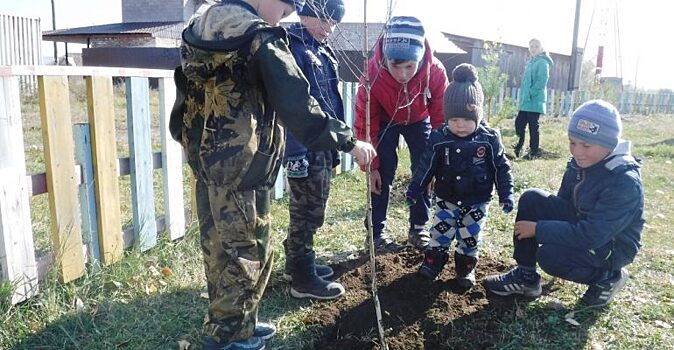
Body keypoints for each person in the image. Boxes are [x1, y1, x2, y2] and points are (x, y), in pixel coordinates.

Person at [173, 0, 376, 349]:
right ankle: (228, 338)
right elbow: (297, 105)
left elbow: (184, 91)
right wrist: (349, 142)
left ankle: (239, 322)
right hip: (245, 164)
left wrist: (187, 138)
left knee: (217, 245)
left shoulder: (199, 25)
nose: (288, 16)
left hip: (207, 157)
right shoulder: (260, 38)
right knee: (249, 249)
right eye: (285, 9)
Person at [485, 100, 644, 308]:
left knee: (550, 256)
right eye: (572, 142)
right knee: (532, 199)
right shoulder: (581, 162)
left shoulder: (623, 181)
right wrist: (544, 223)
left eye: (586, 145)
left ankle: (608, 277)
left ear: (610, 143)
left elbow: (592, 235)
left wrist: (539, 229)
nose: (577, 151)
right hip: (583, 223)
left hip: (610, 246)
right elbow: (563, 204)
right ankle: (526, 276)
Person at [407, 64, 514, 288]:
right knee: (439, 234)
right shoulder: (440, 138)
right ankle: (433, 263)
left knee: (470, 237)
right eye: (454, 120)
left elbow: (501, 167)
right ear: (447, 118)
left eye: (466, 119)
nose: (460, 125)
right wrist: (416, 187)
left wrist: (506, 193)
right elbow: (427, 165)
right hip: (446, 198)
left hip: (477, 201)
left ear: (477, 115)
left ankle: (465, 270)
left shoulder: (489, 139)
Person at [354, 16, 449, 252]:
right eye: (396, 66)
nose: (403, 74)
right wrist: (372, 166)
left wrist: (438, 163)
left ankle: (418, 227)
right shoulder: (371, 76)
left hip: (419, 119)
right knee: (383, 170)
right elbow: (365, 123)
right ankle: (376, 234)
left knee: (424, 168)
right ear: (385, 57)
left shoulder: (435, 72)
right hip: (385, 120)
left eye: (409, 66)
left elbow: (441, 120)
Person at [281, 0, 347, 300]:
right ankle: (302, 279)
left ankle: (297, 263)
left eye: (333, 23)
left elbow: (331, 100)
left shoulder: (322, 49)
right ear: (305, 13)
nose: (328, 28)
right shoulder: (293, 48)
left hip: (323, 142)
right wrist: (294, 154)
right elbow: (292, 107)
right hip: (304, 146)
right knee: (306, 211)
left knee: (315, 208)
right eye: (323, 19)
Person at [513, 38, 553, 159]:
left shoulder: (542, 62)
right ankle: (519, 148)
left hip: (535, 100)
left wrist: (531, 93)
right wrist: (525, 96)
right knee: (519, 123)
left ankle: (534, 152)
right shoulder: (531, 62)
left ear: (541, 48)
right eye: (531, 47)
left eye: (536, 46)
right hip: (526, 101)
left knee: (533, 126)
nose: (533, 49)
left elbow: (542, 81)